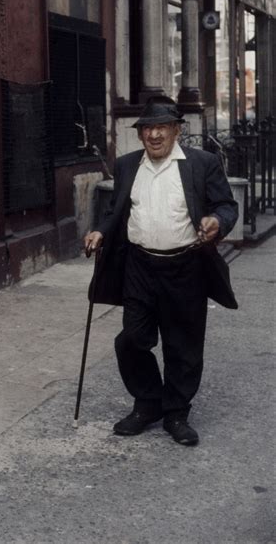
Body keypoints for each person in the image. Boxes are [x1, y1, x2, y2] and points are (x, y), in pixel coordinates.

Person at [84, 96, 238, 446]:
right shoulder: (126, 166)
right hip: (139, 264)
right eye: (147, 128)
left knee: (183, 344)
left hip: (186, 265)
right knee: (133, 338)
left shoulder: (202, 163)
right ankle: (149, 401)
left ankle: (176, 412)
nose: (154, 135)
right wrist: (100, 231)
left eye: (162, 128)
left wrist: (216, 221)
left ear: (176, 131)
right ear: (140, 134)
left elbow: (226, 205)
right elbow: (115, 210)